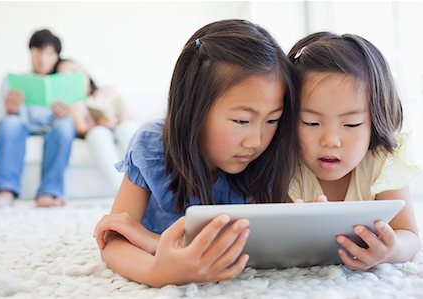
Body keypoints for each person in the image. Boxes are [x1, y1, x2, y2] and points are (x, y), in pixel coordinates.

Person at [93, 19, 298, 286]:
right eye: (242, 121)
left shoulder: (269, 156)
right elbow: (113, 240)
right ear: (194, 111)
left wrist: (153, 242)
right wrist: (158, 273)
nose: (256, 141)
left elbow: (253, 248)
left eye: (272, 120)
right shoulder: (153, 145)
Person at [287, 32, 421, 270]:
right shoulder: (287, 165)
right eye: (310, 123)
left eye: (351, 125)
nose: (330, 141)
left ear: (376, 121)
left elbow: (409, 235)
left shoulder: (381, 162)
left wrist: (391, 250)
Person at [0, 29, 76, 208]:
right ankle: (5, 192)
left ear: (56, 57)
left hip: (52, 127)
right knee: (10, 123)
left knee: (65, 126)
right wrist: (12, 111)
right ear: (30, 51)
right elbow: (4, 117)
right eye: (38, 51)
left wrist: (65, 114)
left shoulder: (63, 84)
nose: (43, 58)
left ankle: (48, 193)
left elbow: (72, 120)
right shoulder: (11, 81)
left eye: (49, 53)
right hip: (20, 124)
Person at [55, 59, 140, 192]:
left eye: (74, 71)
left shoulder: (107, 91)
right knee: (98, 134)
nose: (73, 77)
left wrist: (119, 118)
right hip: (98, 131)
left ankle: (148, 185)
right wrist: (99, 123)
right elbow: (82, 130)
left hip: (120, 126)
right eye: (65, 77)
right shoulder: (73, 104)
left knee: (127, 128)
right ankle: (123, 192)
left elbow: (128, 116)